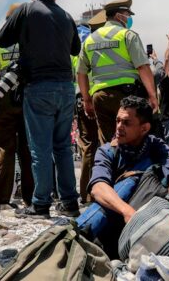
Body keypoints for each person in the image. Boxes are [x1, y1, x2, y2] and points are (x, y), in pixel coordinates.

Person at [0, 0, 81, 218]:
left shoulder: (26, 10)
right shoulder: (66, 15)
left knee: (40, 149)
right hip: (66, 87)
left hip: (39, 86)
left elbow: (2, 40)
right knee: (63, 147)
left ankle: (41, 204)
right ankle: (70, 203)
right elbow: (75, 48)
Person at [79, 96, 169, 258]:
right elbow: (98, 187)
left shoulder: (156, 146)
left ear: (144, 128)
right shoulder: (108, 151)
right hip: (117, 220)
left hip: (151, 217)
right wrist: (128, 212)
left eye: (126, 123)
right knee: (131, 181)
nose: (118, 127)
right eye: (117, 121)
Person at [77, 0, 159, 145]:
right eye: (127, 15)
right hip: (127, 96)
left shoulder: (89, 40)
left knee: (109, 144)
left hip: (100, 97)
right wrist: (153, 96)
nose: (128, 18)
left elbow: (81, 73)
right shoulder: (128, 35)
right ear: (118, 15)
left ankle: (111, 167)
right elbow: (143, 67)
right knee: (132, 140)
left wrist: (87, 100)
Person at [0, 3, 33, 210]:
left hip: (3, 97)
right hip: (27, 97)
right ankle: (30, 198)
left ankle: (3, 199)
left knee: (5, 148)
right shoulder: (31, 40)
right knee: (27, 150)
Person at [74, 12, 105, 205]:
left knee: (88, 147)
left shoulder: (81, 46)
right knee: (107, 145)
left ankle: (86, 195)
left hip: (82, 97)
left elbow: (77, 73)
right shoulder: (104, 44)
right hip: (100, 96)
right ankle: (105, 191)